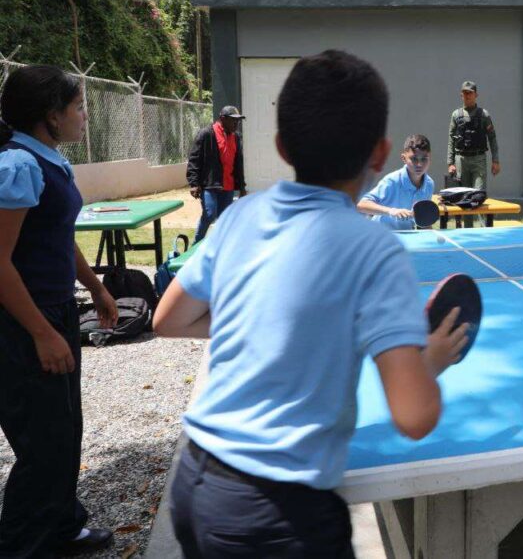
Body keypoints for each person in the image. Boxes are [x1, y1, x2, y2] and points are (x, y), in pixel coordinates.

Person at [155, 50, 467, 558]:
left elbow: (168, 319)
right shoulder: (373, 249)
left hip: (196, 485)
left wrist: (264, 321)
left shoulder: (240, 217)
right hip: (278, 517)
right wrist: (428, 361)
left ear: (281, 146)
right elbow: (414, 416)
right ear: (381, 153)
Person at [0, 65, 119, 557]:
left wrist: (96, 287)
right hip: (23, 320)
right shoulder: (17, 166)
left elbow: (57, 237)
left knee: (66, 427)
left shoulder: (46, 160)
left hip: (55, 309)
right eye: (79, 107)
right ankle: (21, 545)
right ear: (52, 116)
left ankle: (62, 525)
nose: (85, 116)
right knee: (42, 441)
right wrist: (42, 333)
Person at [187, 105, 247, 242]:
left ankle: (219, 247)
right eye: (233, 120)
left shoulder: (236, 137)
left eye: (238, 121)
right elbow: (194, 159)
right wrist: (193, 183)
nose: (236, 124)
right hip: (210, 184)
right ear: (223, 119)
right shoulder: (206, 134)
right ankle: (197, 245)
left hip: (228, 186)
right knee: (209, 213)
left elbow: (238, 164)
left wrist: (242, 187)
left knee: (224, 218)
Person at [446, 81, 499, 227]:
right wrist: (450, 163)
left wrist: (496, 160)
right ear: (461, 95)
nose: (467, 96)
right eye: (465, 93)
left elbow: (492, 138)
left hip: (478, 159)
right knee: (464, 198)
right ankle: (467, 230)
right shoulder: (456, 115)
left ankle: (483, 229)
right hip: (461, 160)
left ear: (476, 95)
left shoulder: (484, 115)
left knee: (478, 195)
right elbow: (451, 139)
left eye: (470, 93)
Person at [358, 134, 435, 230]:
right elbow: (361, 204)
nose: (419, 164)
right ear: (404, 158)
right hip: (383, 234)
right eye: (414, 159)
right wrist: (391, 211)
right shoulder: (392, 181)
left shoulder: (429, 184)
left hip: (407, 234)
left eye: (424, 159)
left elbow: (424, 220)